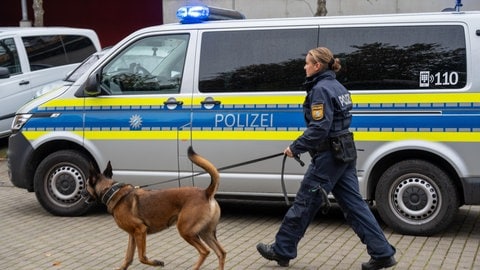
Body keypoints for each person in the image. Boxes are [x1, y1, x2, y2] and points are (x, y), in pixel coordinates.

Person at [256, 47, 397, 270]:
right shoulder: (337, 86)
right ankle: (382, 253)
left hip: (329, 156)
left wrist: (296, 147)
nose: (304, 67)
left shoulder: (320, 90)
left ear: (317, 66)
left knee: (304, 202)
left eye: (307, 63)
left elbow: (320, 127)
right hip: (344, 152)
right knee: (355, 207)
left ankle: (282, 249)